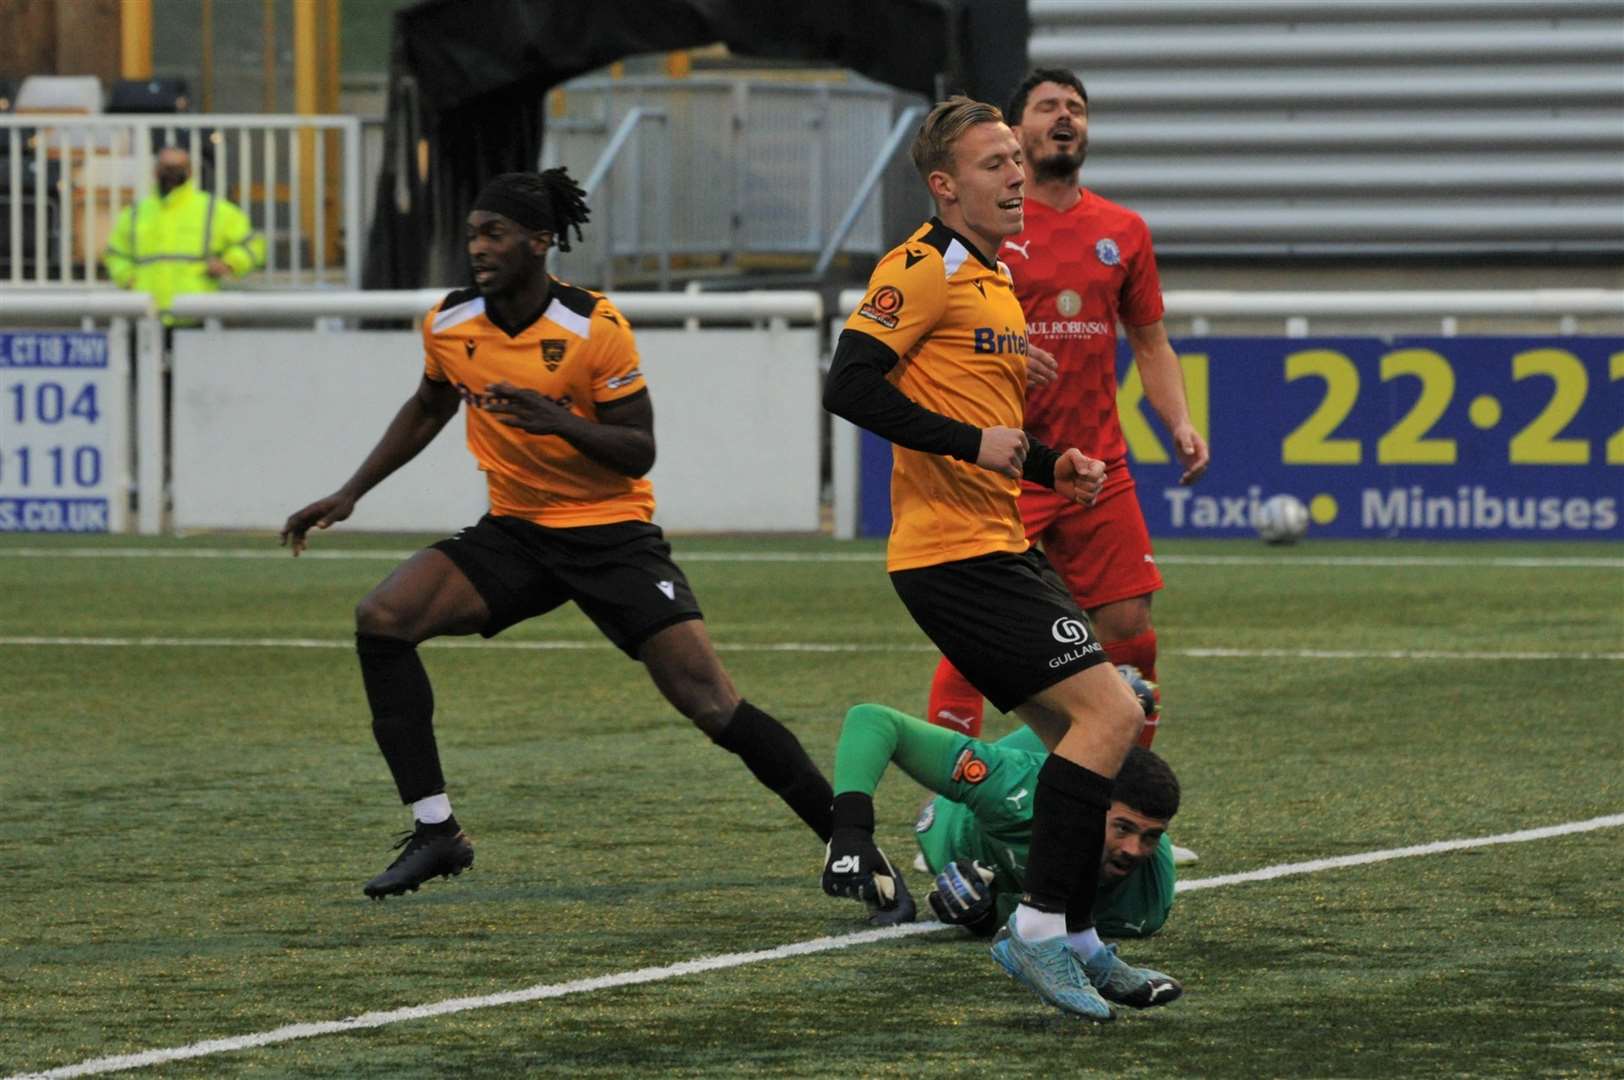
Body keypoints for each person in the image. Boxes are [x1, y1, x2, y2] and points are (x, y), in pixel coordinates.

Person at [280, 168, 841, 901]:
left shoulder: (592, 327)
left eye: (494, 234)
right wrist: (351, 491)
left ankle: (846, 838)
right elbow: (427, 406)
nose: (476, 247)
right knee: (382, 618)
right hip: (516, 534)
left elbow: (637, 449)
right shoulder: (450, 324)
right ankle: (436, 830)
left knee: (711, 704)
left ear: (540, 242)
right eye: (473, 233)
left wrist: (557, 421)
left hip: (613, 537)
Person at [821, 96, 1179, 1021]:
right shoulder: (923, 266)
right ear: (945, 186)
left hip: (997, 543)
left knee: (1083, 735)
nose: (1016, 173)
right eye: (993, 163)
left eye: (1017, 158)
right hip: (952, 555)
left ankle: (1081, 941)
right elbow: (848, 383)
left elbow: (981, 406)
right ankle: (1036, 936)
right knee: (1109, 715)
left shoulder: (994, 277)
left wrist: (1053, 460)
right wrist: (966, 442)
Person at [925, 68, 1210, 764]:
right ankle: (947, 811)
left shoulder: (1123, 230)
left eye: (1076, 109)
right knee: (978, 636)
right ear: (1015, 132)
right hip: (1005, 465)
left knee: (1129, 624)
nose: (1064, 118)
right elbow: (939, 335)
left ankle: (1122, 800)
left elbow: (1149, 339)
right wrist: (1004, 354)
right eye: (1048, 107)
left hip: (1095, 464)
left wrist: (1177, 419)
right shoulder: (979, 228)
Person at [823, 681, 1179, 970]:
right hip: (951, 822)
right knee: (1112, 721)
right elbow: (872, 720)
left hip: (1025, 831)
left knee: (1107, 725)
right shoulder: (1014, 790)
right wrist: (851, 832)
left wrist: (985, 914)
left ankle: (1108, 710)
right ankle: (1109, 707)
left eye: (1150, 837)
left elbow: (1049, 923)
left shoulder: (1146, 904)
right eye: (1122, 829)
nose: (1134, 850)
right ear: (1093, 805)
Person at [103, 146, 265, 323]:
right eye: (167, 168)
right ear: (156, 171)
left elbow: (253, 245)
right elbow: (115, 254)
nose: (171, 174)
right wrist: (127, 278)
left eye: (177, 168)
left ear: (190, 171)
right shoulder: (135, 213)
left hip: (197, 314)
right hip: (147, 316)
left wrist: (229, 263)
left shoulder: (216, 210)